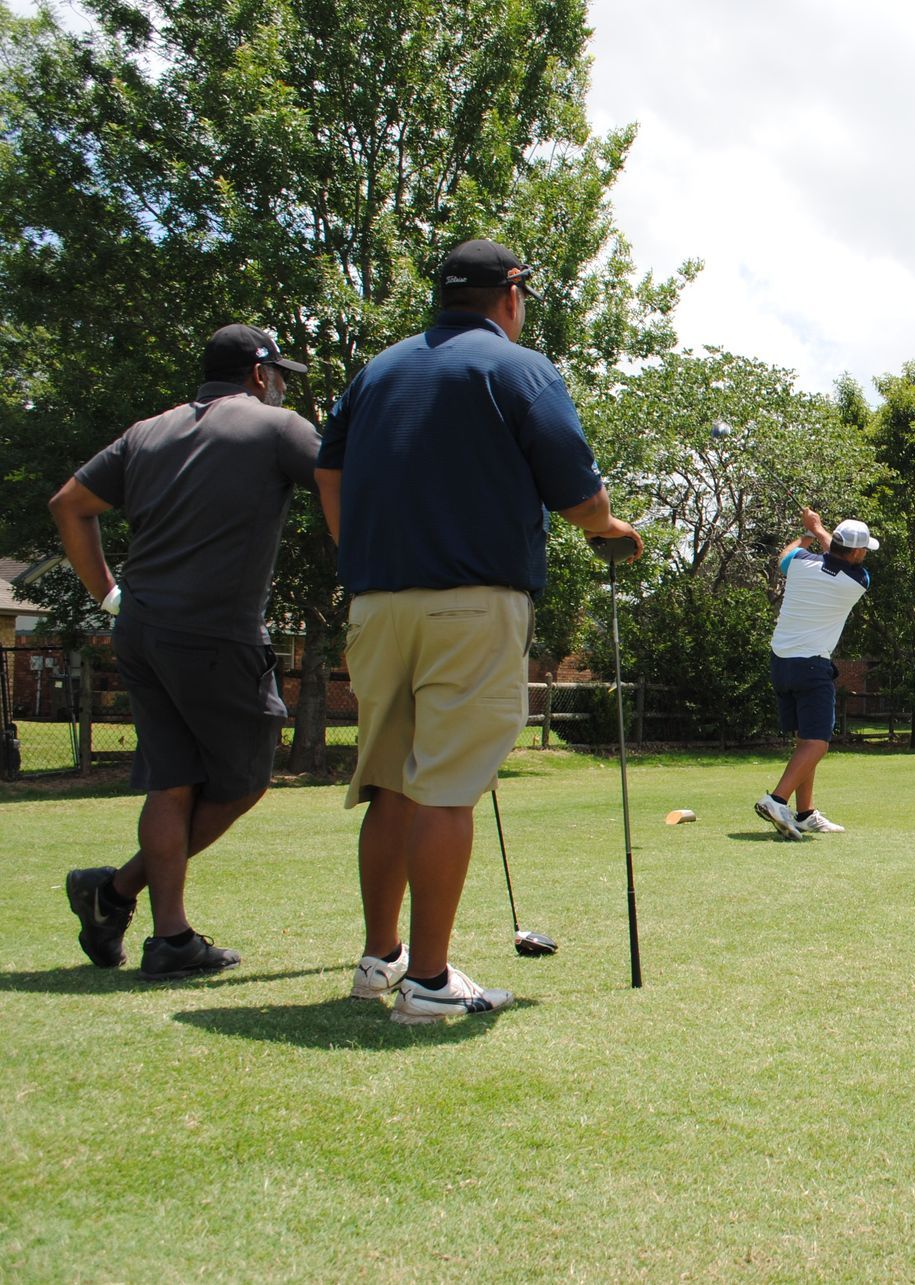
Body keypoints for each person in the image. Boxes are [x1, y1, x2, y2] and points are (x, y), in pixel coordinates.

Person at [315, 239, 639, 1024]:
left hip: (374, 601)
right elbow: (578, 493)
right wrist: (611, 528)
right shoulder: (519, 369)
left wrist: (358, 550)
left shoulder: (380, 370)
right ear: (511, 294)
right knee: (448, 788)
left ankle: (381, 958)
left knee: (390, 781)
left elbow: (329, 469)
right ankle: (428, 983)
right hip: (471, 603)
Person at [50, 325, 320, 979]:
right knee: (248, 774)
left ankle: (165, 934)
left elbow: (69, 503)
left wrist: (108, 594)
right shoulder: (276, 428)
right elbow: (349, 477)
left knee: (174, 780)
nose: (282, 385)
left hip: (140, 626)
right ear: (259, 375)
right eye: (279, 373)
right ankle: (116, 892)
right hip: (216, 632)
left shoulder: (148, 433)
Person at [755, 508, 876, 839]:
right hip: (812, 666)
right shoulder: (857, 580)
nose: (865, 555)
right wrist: (818, 527)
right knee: (818, 744)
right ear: (854, 552)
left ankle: (806, 813)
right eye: (864, 550)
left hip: (781, 663)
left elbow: (785, 556)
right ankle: (777, 800)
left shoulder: (799, 563)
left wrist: (808, 531)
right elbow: (834, 556)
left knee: (804, 740)